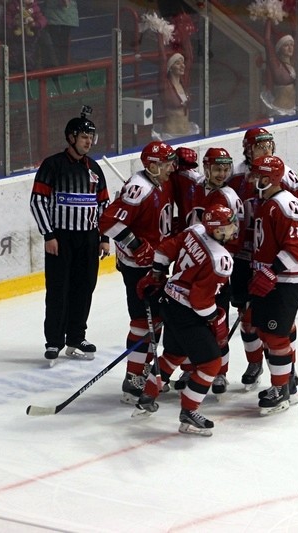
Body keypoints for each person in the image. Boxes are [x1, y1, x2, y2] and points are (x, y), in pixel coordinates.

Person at [227, 127, 298, 393]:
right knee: (247, 316)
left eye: (269, 144)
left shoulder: (283, 175)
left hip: (274, 260)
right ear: (248, 148)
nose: (266, 149)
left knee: (281, 319)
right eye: (260, 145)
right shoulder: (234, 176)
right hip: (244, 257)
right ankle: (255, 363)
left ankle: (286, 368)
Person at [133, 203, 237, 436]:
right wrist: (215, 321)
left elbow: (163, 251)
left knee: (174, 353)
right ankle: (188, 414)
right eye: (229, 226)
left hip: (169, 302)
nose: (234, 229)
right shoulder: (221, 259)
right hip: (187, 312)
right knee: (212, 363)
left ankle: (147, 397)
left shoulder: (196, 230)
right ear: (218, 230)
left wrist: (157, 275)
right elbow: (201, 301)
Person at [29, 108, 111, 364]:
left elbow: (104, 206)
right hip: (60, 239)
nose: (88, 141)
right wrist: (48, 234)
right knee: (58, 290)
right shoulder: (53, 165)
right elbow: (37, 201)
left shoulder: (95, 169)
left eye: (91, 136)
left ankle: (76, 337)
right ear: (71, 137)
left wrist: (105, 238)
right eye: (84, 136)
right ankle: (54, 341)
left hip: (88, 240)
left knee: (84, 288)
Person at [99, 140, 176, 404]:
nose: (171, 167)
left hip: (155, 263)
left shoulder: (160, 183)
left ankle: (144, 371)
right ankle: (133, 380)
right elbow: (107, 222)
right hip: (138, 268)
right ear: (152, 165)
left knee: (157, 320)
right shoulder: (138, 189)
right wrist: (135, 244)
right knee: (143, 322)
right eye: (167, 163)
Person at [167, 146, 244, 396]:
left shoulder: (230, 197)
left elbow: (236, 237)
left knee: (216, 326)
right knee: (189, 326)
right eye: (217, 168)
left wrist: (216, 260)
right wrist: (177, 158)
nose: (222, 174)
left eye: (225, 169)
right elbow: (173, 170)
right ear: (206, 168)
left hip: (214, 272)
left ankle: (220, 373)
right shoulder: (194, 185)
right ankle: (191, 368)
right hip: (189, 265)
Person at [247, 155, 298, 415]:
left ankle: (281, 391)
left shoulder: (285, 204)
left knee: (275, 336)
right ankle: (285, 381)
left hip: (285, 282)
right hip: (273, 280)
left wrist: (271, 272)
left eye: (256, 175)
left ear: (269, 178)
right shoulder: (268, 202)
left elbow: (296, 250)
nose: (252, 179)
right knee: (264, 331)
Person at [154, 52, 199, 140]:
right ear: (170, 68)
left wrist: (185, 38)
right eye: (178, 63)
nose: (182, 66)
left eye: (183, 63)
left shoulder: (184, 84)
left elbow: (190, 57)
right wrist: (160, 38)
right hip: (172, 135)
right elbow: (162, 59)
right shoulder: (165, 85)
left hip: (188, 132)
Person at [260, 20, 298, 117]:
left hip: (293, 109)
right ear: (279, 48)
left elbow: (296, 36)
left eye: (291, 45)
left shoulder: (292, 63)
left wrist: (291, 15)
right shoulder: (276, 66)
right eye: (286, 45)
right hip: (279, 112)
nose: (290, 48)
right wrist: (268, 19)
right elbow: (267, 41)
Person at [43, 0, 78, 66]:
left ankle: (57, 68)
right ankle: (62, 67)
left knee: (55, 46)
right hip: (66, 16)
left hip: (55, 16)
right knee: (62, 47)